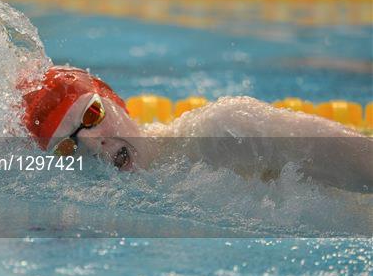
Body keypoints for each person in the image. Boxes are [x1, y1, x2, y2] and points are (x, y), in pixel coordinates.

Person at [20, 66, 373, 192]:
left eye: (93, 114)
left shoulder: (223, 131)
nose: (93, 145)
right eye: (68, 148)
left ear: (114, 98)